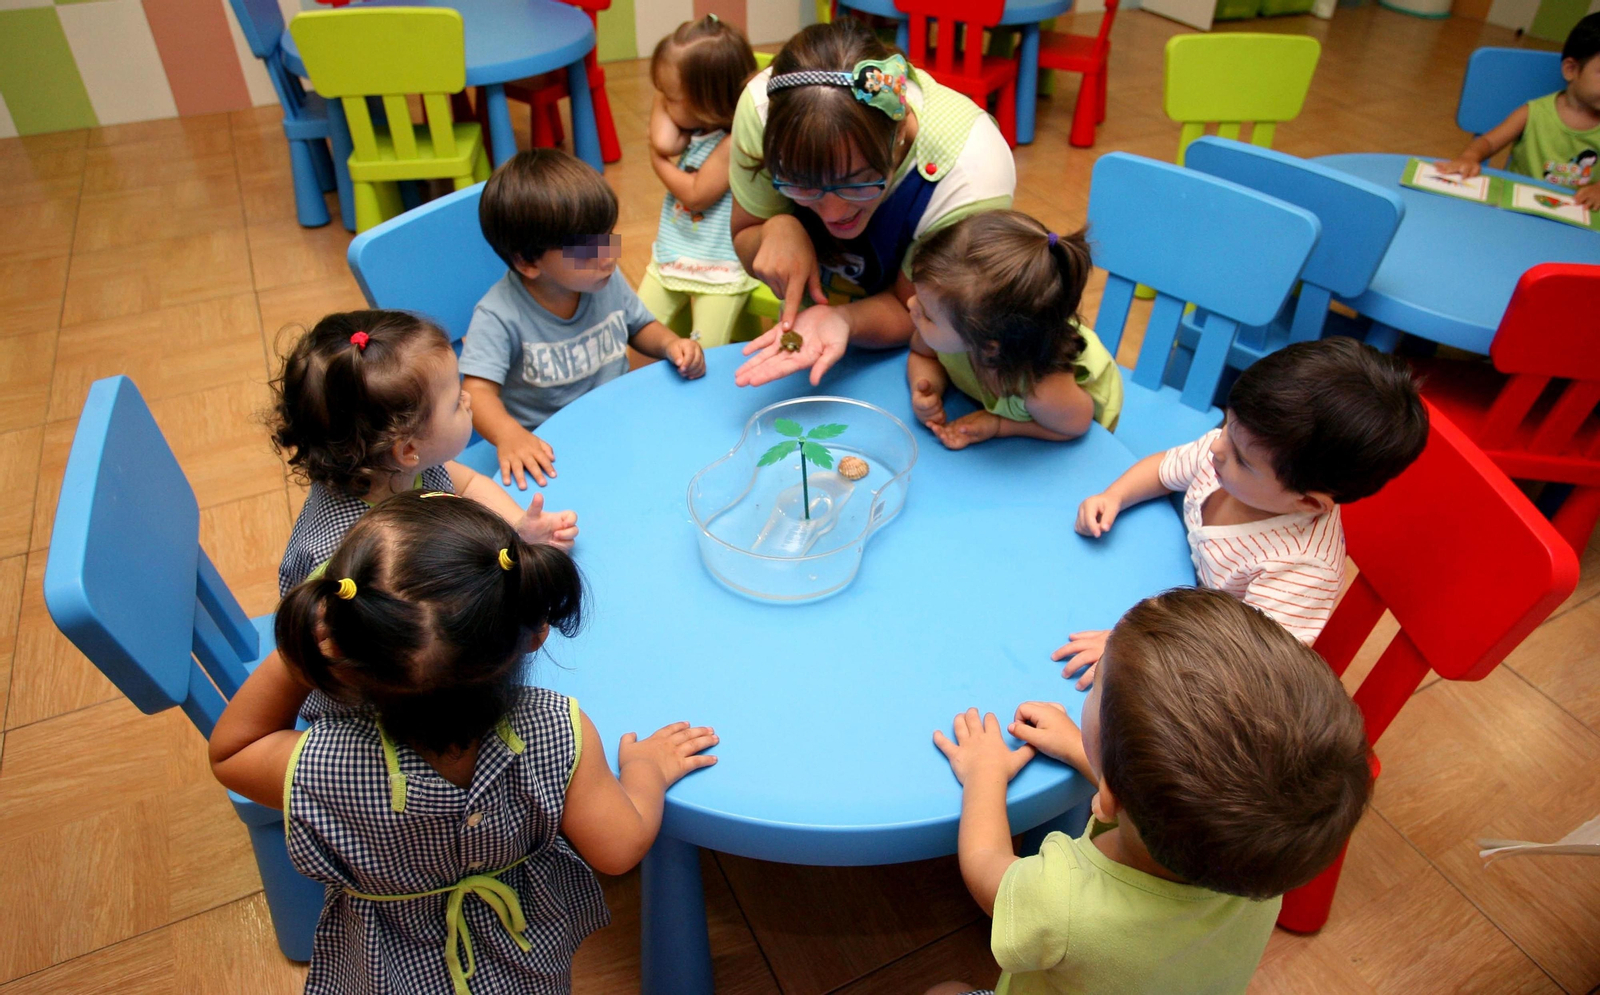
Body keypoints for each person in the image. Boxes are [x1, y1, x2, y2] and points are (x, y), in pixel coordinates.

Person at [209, 492, 719, 995]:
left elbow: (231, 753)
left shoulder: (327, 765)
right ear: (536, 633)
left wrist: (304, 655)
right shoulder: (558, 730)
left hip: (384, 974)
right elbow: (618, 848)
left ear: (341, 649)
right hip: (520, 966)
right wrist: (646, 768)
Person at [929, 587, 1372, 995]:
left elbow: (987, 871)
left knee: (943, 990)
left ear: (1110, 799)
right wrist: (1093, 756)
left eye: (1099, 685)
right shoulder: (1265, 848)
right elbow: (1169, 800)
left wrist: (985, 775)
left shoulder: (1062, 903)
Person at [1058, 338, 1427, 688]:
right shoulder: (1232, 454)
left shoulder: (1300, 572)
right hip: (1174, 595)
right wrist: (1115, 495)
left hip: (1208, 654)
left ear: (1308, 503)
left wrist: (1132, 648)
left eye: (1242, 459)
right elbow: (1165, 468)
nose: (1216, 447)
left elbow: (1241, 662)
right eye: (1227, 428)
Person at [727, 19, 1016, 388]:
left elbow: (920, 312)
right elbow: (745, 229)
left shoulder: (970, 172)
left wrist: (843, 320)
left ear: (898, 135)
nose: (833, 213)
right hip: (815, 357)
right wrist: (774, 227)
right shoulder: (761, 109)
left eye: (859, 182)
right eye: (801, 184)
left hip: (923, 359)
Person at [271, 309, 577, 597]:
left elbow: (468, 484)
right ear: (408, 449)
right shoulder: (348, 558)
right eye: (456, 400)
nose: (469, 399)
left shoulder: (396, 467)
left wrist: (518, 526)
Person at [461, 149, 707, 490]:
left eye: (607, 238)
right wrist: (509, 435)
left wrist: (670, 343)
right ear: (528, 263)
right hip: (550, 449)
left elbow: (639, 326)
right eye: (587, 251)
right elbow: (477, 391)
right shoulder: (498, 316)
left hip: (619, 423)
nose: (608, 257)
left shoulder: (604, 279)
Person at [907, 212, 1123, 450]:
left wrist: (1000, 425)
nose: (910, 305)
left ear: (988, 347)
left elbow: (1074, 427)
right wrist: (926, 387)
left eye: (927, 314)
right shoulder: (965, 329)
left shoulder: (1043, 388)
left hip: (1068, 421)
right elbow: (922, 354)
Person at [639, 15, 763, 349]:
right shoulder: (695, 126)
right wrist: (665, 97)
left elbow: (696, 195)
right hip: (675, 252)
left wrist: (656, 161)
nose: (663, 102)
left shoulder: (733, 140)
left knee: (705, 350)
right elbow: (665, 142)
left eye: (670, 96)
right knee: (637, 328)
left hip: (719, 264)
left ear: (709, 102)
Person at [1436, 12, 1600, 207]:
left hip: (1578, 220)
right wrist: (1470, 157)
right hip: (1517, 208)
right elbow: (1488, 142)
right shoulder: (1533, 113)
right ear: (1571, 70)